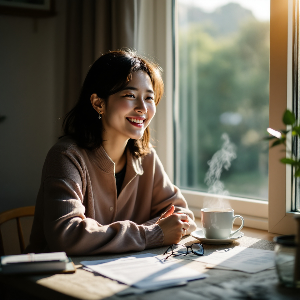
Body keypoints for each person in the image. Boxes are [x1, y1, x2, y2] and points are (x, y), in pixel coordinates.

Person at [25, 49, 196, 255]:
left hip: (122, 273)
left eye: (149, 98)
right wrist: (152, 233)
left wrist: (158, 231)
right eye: (130, 95)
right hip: (55, 278)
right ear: (99, 103)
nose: (142, 108)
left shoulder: (146, 156)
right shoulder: (66, 156)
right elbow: (66, 235)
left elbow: (182, 215)